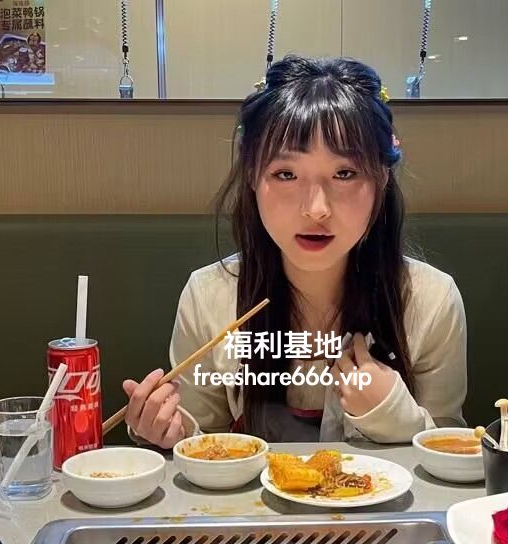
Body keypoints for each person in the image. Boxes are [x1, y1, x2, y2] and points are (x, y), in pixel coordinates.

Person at [122, 55, 468, 447]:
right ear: (252, 176)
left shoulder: (430, 300)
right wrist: (174, 431)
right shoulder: (209, 297)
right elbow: (205, 437)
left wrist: (394, 416)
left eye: (344, 173)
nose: (316, 209)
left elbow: (448, 452)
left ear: (382, 177)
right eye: (286, 174)